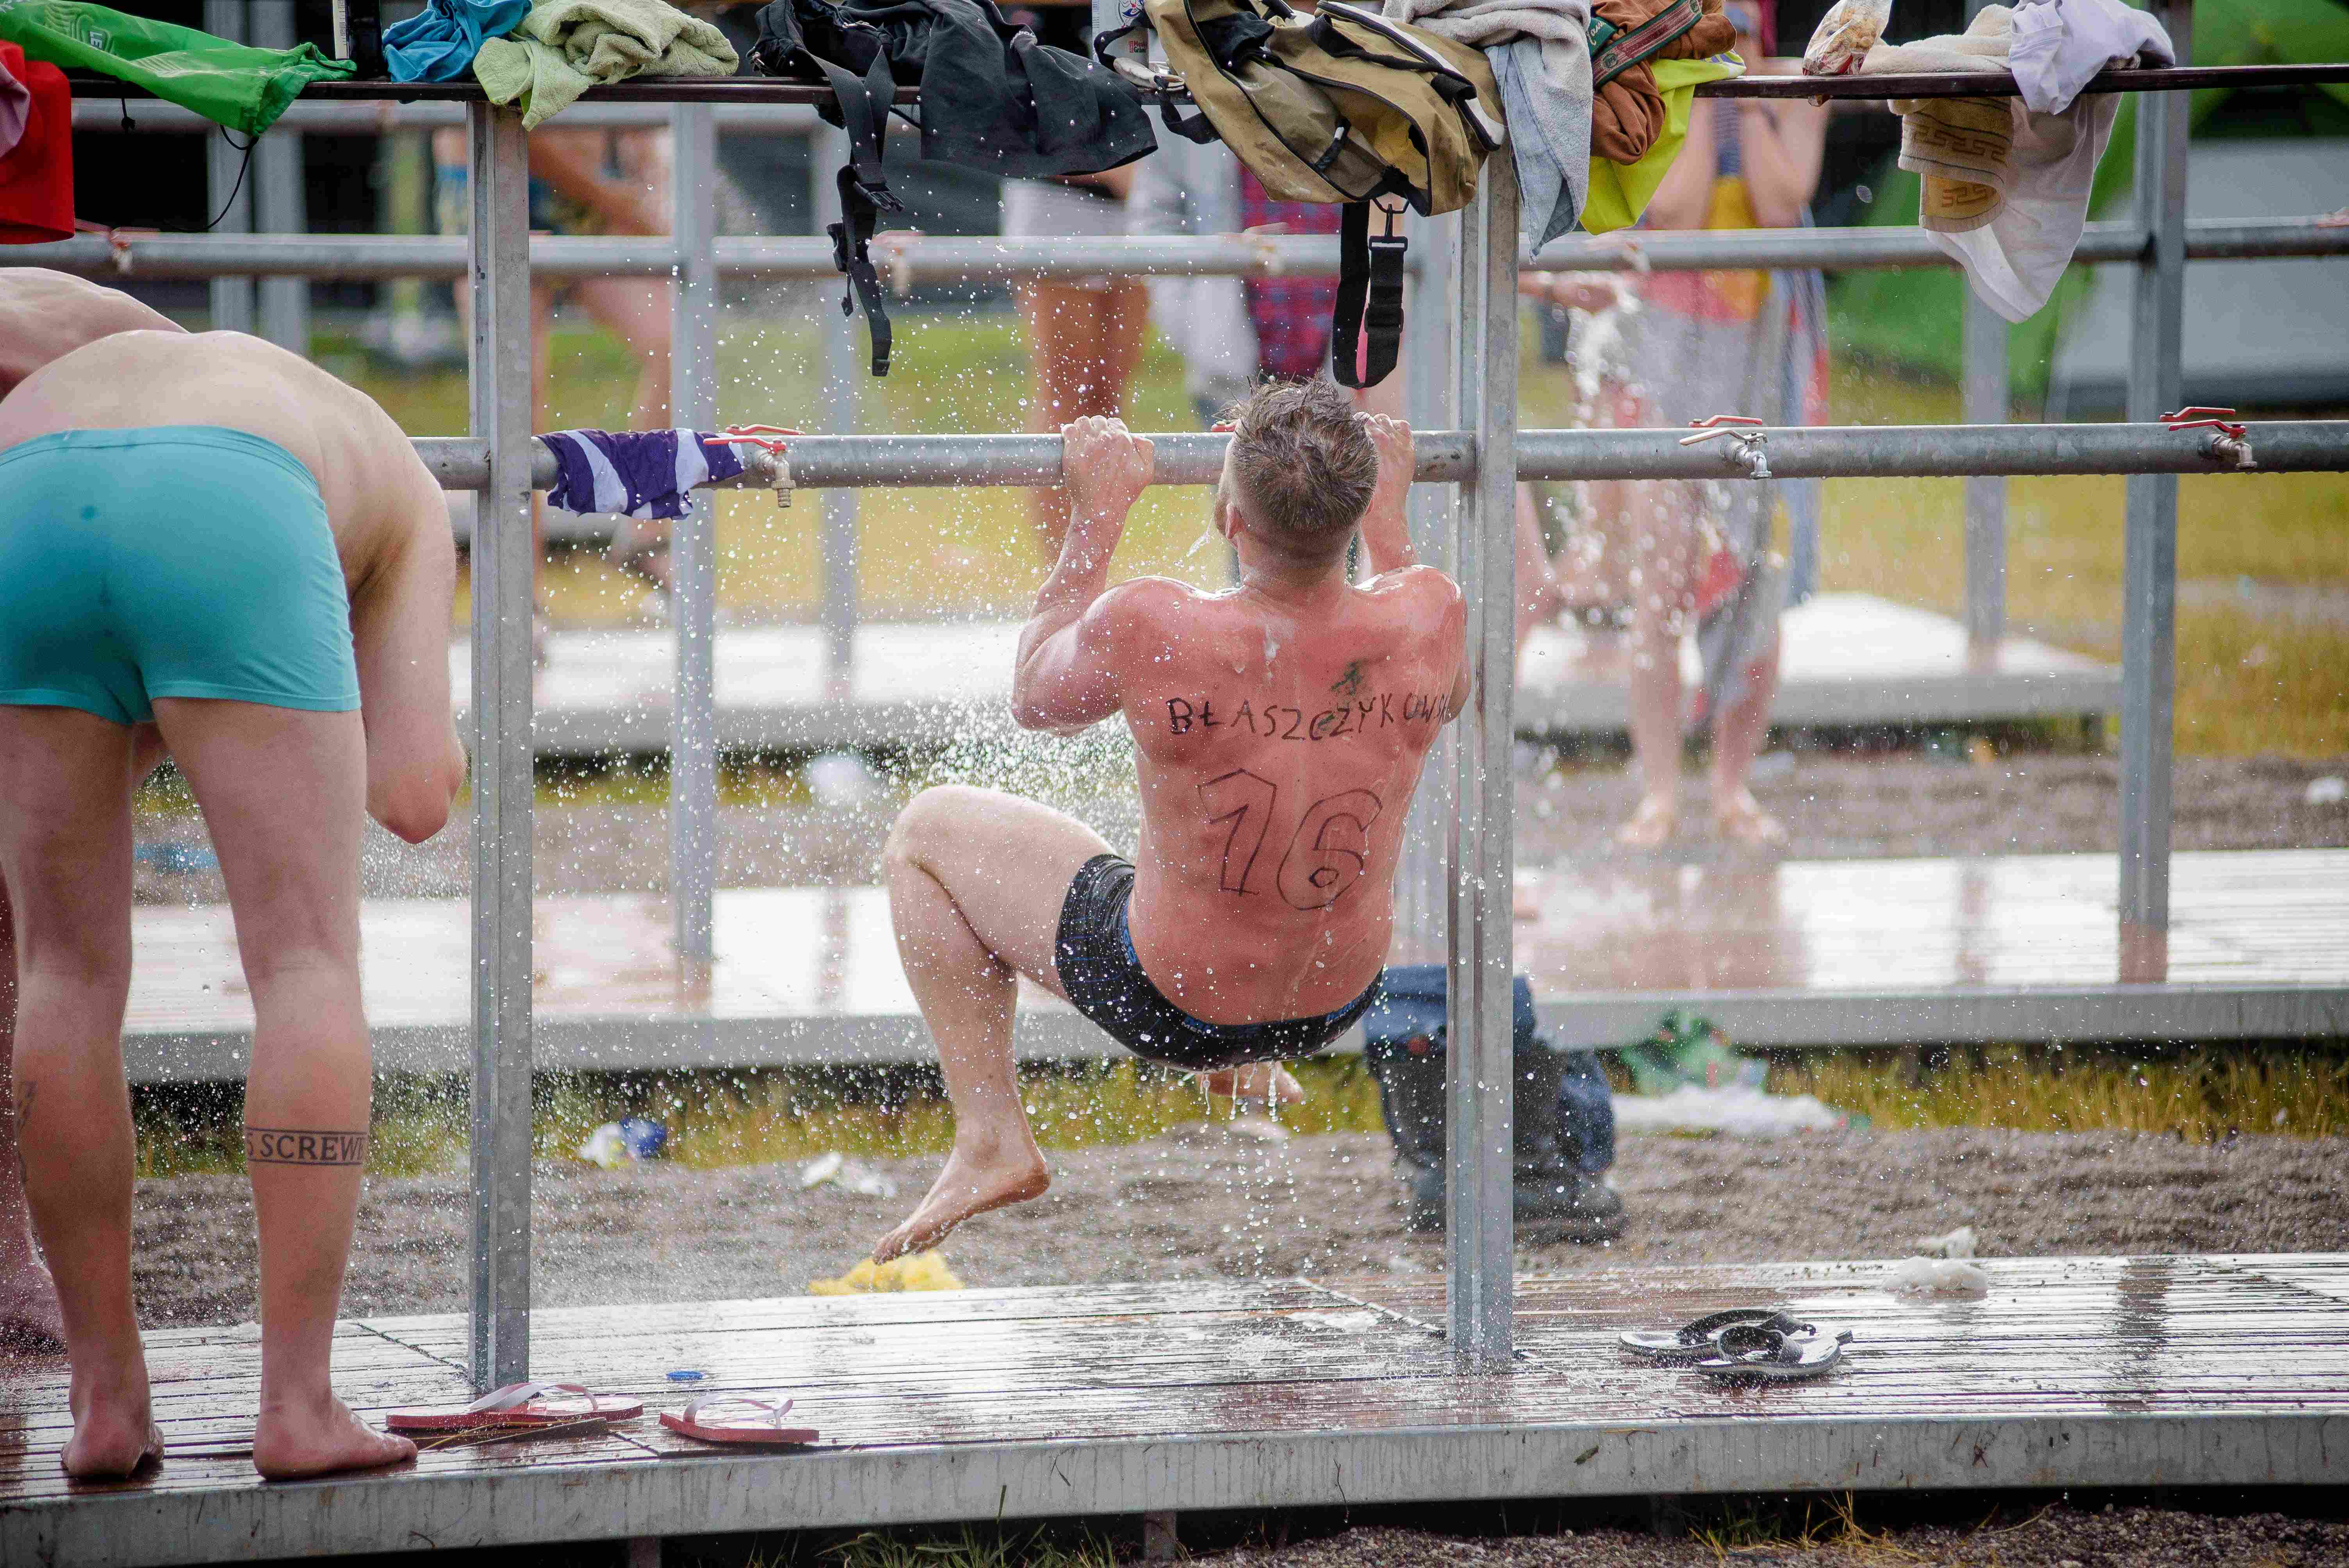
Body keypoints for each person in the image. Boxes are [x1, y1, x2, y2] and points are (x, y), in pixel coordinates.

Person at [0, 322, 467, 1480]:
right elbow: (413, 796)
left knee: (61, 973)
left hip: (21, 485)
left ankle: (105, 1405)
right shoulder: (399, 480)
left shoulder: (107, 347)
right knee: (305, 966)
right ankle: (298, 1407)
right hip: (229, 504)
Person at [872, 381, 1466, 1262]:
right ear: (1358, 505)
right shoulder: (1430, 613)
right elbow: (1443, 689)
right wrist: (1389, 520)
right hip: (1334, 1002)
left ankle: (990, 1135)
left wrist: (1097, 511)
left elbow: (1036, 695)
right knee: (1137, 860)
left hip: (1166, 1005)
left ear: (1228, 513)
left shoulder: (1153, 621)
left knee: (925, 833)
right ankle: (1242, 1057)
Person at [1575, 0, 1827, 846]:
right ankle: (1658, 791)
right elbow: (1674, 206)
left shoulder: (1789, 88)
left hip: (1758, 361)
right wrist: (1702, 87)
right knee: (1660, 583)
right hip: (1666, 357)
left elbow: (1782, 198)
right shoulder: (1654, 82)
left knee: (1756, 581)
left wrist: (1750, 93)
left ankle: (1730, 785)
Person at [433, 124, 677, 597]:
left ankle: (644, 532)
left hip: (586, 197)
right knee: (516, 395)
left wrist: (643, 159)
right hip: (496, 186)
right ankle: (521, 599)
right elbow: (512, 118)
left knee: (676, 342)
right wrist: (617, 202)